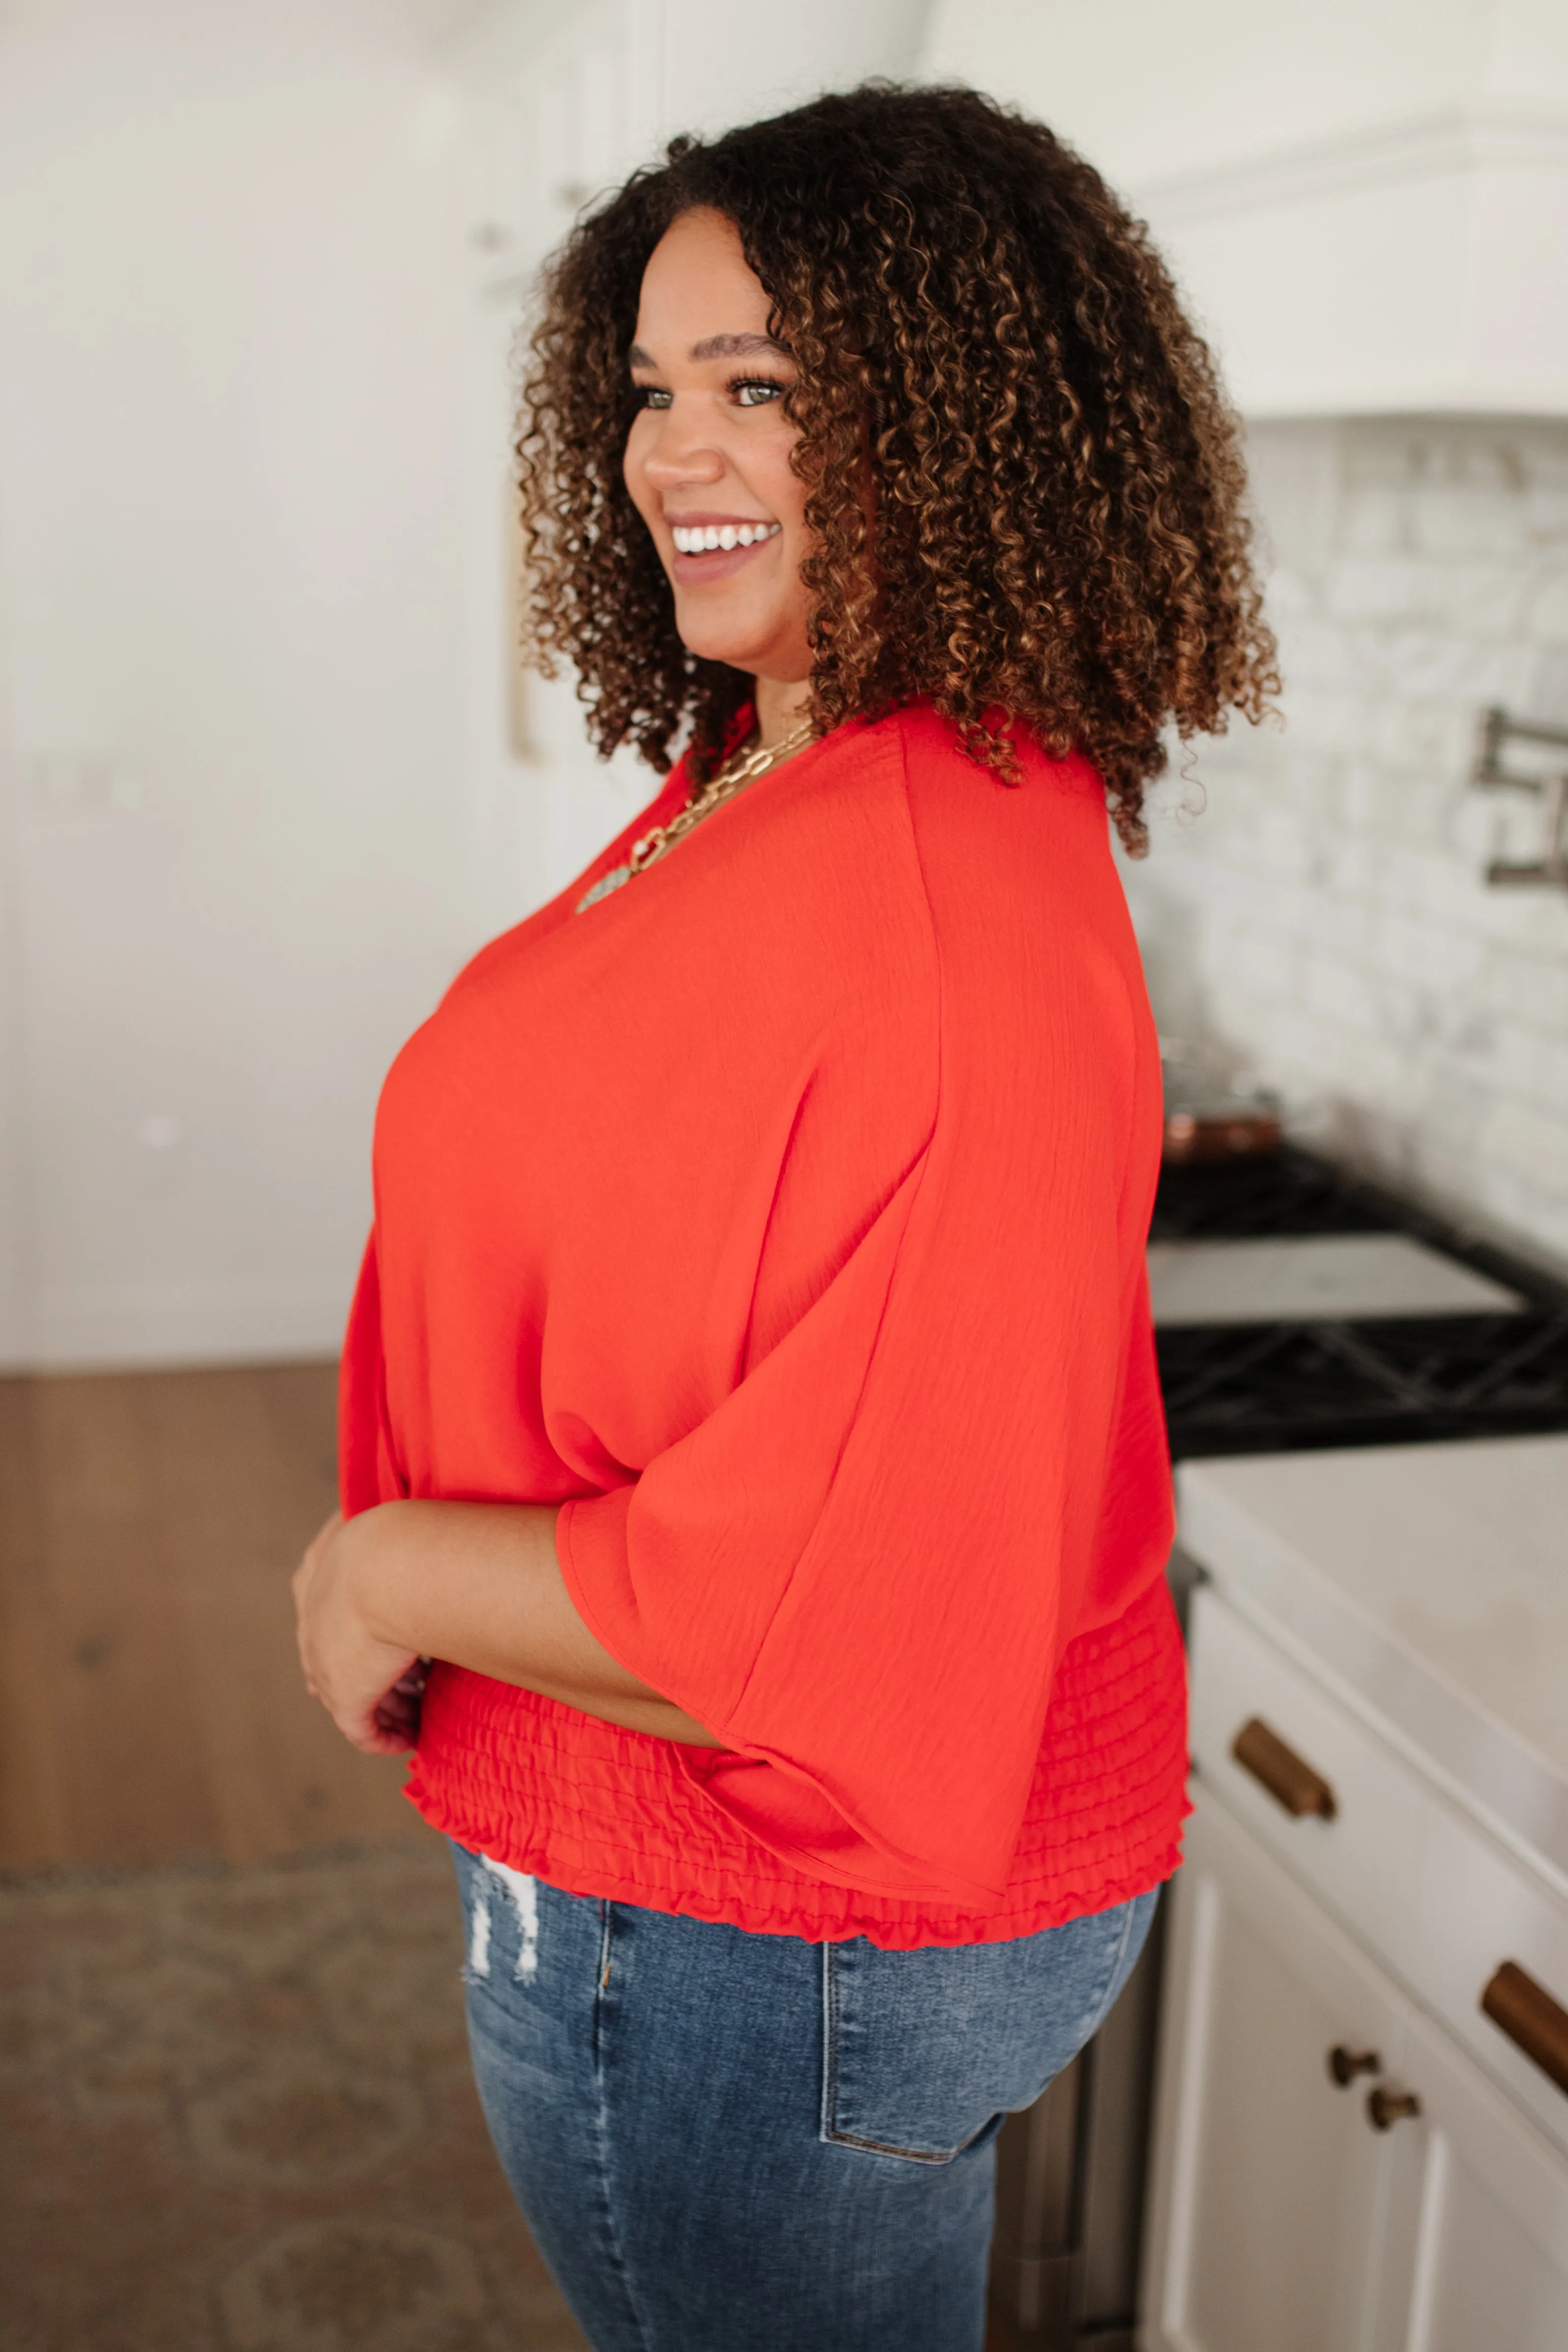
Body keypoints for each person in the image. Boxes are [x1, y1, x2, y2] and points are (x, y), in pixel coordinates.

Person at [293, 82, 1276, 2352]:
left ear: (956, 417)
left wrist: (384, 1568)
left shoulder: (921, 875)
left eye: (762, 388)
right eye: (649, 388)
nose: (671, 454)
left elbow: (843, 1610)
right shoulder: (785, 765)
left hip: (743, 1942)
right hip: (728, 1906)